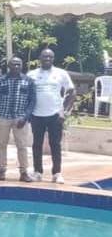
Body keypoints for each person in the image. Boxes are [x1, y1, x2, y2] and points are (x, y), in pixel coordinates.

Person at [28, 48, 75, 184]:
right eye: (45, 56)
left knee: (55, 144)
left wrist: (64, 111)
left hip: (55, 115)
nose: (47, 59)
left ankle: (57, 173)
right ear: (40, 58)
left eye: (50, 57)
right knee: (37, 144)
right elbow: (26, 94)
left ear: (53, 59)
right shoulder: (32, 74)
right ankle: (37, 172)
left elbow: (72, 92)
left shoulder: (61, 73)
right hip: (37, 114)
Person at [0, 56, 36, 182]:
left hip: (20, 118)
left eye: (18, 64)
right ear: (9, 66)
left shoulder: (28, 81)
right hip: (4, 117)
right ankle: (2, 170)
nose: (16, 66)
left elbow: (32, 101)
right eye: (13, 64)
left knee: (22, 146)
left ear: (22, 66)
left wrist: (25, 117)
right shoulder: (1, 80)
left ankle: (24, 172)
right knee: (2, 144)